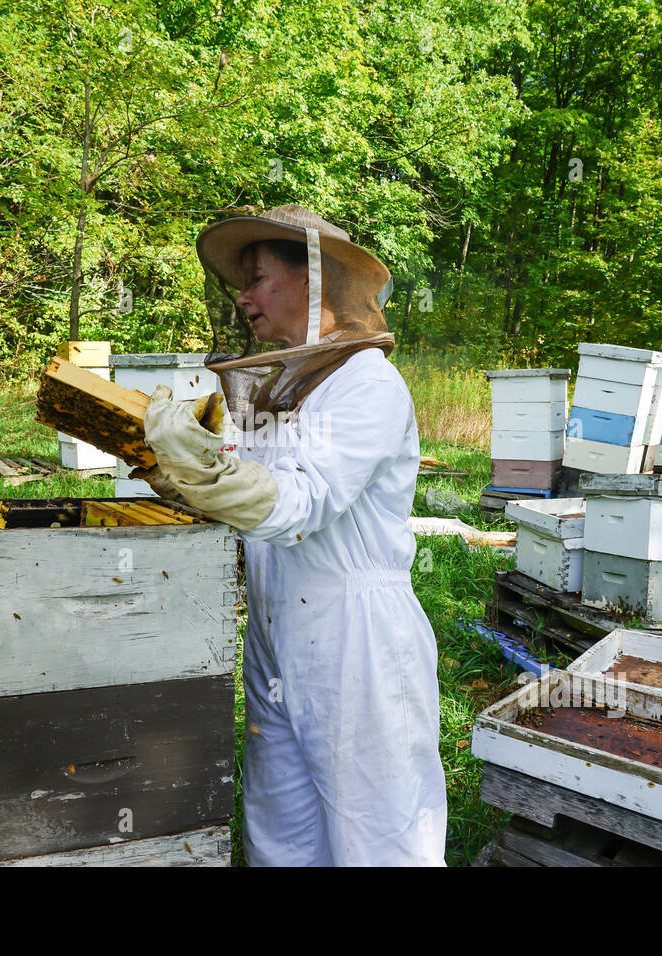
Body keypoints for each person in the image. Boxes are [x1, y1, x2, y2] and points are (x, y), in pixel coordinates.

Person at [139, 205, 447, 866]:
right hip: (277, 630)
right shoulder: (280, 389)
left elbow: (303, 502)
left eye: (259, 279)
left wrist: (208, 473)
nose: (243, 297)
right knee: (281, 829)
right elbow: (237, 487)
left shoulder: (368, 386)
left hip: (355, 633)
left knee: (380, 835)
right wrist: (180, 474)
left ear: (315, 284)